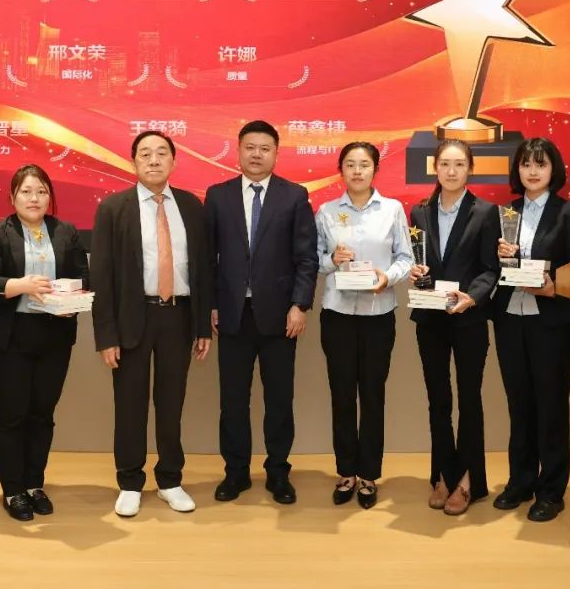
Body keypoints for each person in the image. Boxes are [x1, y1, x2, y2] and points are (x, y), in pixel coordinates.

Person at [90, 130, 211, 518]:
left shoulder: (191, 206)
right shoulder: (114, 208)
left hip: (178, 314)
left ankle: (170, 479)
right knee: (130, 403)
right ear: (133, 162)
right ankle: (129, 481)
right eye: (145, 154)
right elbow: (101, 277)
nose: (154, 160)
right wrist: (106, 334)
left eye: (162, 153)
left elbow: (203, 269)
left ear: (174, 161)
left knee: (171, 402)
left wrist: (202, 326)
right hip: (132, 316)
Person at [205, 120, 318, 505]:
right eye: (250, 147)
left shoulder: (294, 196)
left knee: (279, 400)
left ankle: (278, 472)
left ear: (276, 153)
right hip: (232, 315)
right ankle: (235, 472)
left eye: (264, 148)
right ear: (238, 151)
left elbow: (306, 258)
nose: (256, 154)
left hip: (280, 316)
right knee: (233, 401)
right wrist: (212, 305)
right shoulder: (218, 196)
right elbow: (207, 258)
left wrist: (299, 305)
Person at [0, 164, 88, 521]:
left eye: (41, 191)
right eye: (26, 191)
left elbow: (82, 277)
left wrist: (71, 302)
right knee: (12, 415)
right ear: (13, 197)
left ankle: (35, 484)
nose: (34, 198)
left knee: (42, 414)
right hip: (11, 337)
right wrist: (21, 285)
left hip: (54, 334)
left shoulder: (65, 231)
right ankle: (13, 490)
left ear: (49, 196)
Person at [492, 137, 570, 522]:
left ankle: (550, 490)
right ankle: (520, 482)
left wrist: (554, 287)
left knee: (550, 405)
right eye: (526, 164)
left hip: (550, 321)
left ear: (554, 170)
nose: (532, 171)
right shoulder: (506, 212)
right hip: (510, 316)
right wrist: (499, 257)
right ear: (517, 169)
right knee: (519, 404)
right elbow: (492, 267)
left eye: (541, 164)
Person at [315, 141, 413, 508]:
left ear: (375, 170)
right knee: (341, 395)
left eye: (364, 164)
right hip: (337, 314)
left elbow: (406, 257)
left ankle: (369, 474)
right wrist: (332, 259)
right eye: (350, 165)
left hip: (378, 314)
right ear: (341, 170)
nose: (357, 171)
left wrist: (387, 277)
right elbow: (314, 260)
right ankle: (346, 472)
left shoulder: (392, 210)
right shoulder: (326, 211)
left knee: (372, 395)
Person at [408, 138, 500, 515]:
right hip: (430, 318)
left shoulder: (486, 212)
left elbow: (491, 269)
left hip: (469, 318)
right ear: (435, 168)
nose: (451, 171)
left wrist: (472, 296)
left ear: (470, 169)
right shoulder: (419, 211)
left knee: (469, 400)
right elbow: (420, 263)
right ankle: (442, 476)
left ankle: (468, 480)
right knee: (438, 401)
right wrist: (416, 274)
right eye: (445, 163)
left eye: (459, 164)